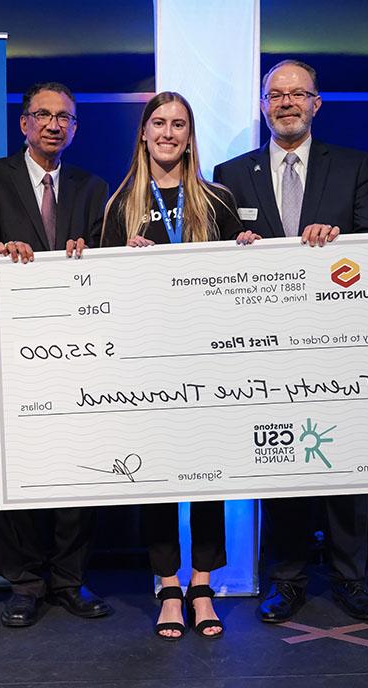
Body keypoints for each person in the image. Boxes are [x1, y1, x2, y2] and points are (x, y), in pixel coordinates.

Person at [213, 60, 368, 624]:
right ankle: (284, 580)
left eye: (297, 94)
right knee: (280, 461)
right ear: (263, 104)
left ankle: (351, 578)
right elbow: (212, 262)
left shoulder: (353, 166)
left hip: (338, 344)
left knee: (346, 464)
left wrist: (340, 241)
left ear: (316, 103)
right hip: (264, 350)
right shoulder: (229, 174)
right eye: (275, 94)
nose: (286, 102)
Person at [0, 82, 111, 628]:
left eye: (64, 117)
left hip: (81, 356)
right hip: (11, 356)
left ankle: (69, 579)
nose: (52, 124)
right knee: (15, 470)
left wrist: (89, 254)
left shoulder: (94, 188)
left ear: (74, 128)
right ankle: (24, 582)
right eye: (42, 115)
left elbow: (106, 263)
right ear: (23, 124)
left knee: (77, 470)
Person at [101, 91, 256, 640]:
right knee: (159, 480)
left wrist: (248, 250)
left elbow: (242, 283)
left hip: (210, 361)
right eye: (159, 123)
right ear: (143, 132)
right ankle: (167, 584)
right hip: (145, 363)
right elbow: (98, 294)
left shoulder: (216, 200)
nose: (168, 133)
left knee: (210, 475)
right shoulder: (117, 205)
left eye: (179, 125)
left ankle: (203, 582)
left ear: (190, 136)